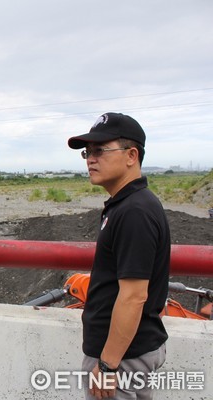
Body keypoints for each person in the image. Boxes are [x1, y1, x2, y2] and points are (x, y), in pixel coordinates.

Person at [68, 112, 170, 399]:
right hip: (126, 354)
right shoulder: (127, 204)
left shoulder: (134, 212)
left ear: (131, 155)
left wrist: (109, 365)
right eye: (87, 152)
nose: (90, 158)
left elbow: (134, 295)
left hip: (122, 359)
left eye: (100, 150)